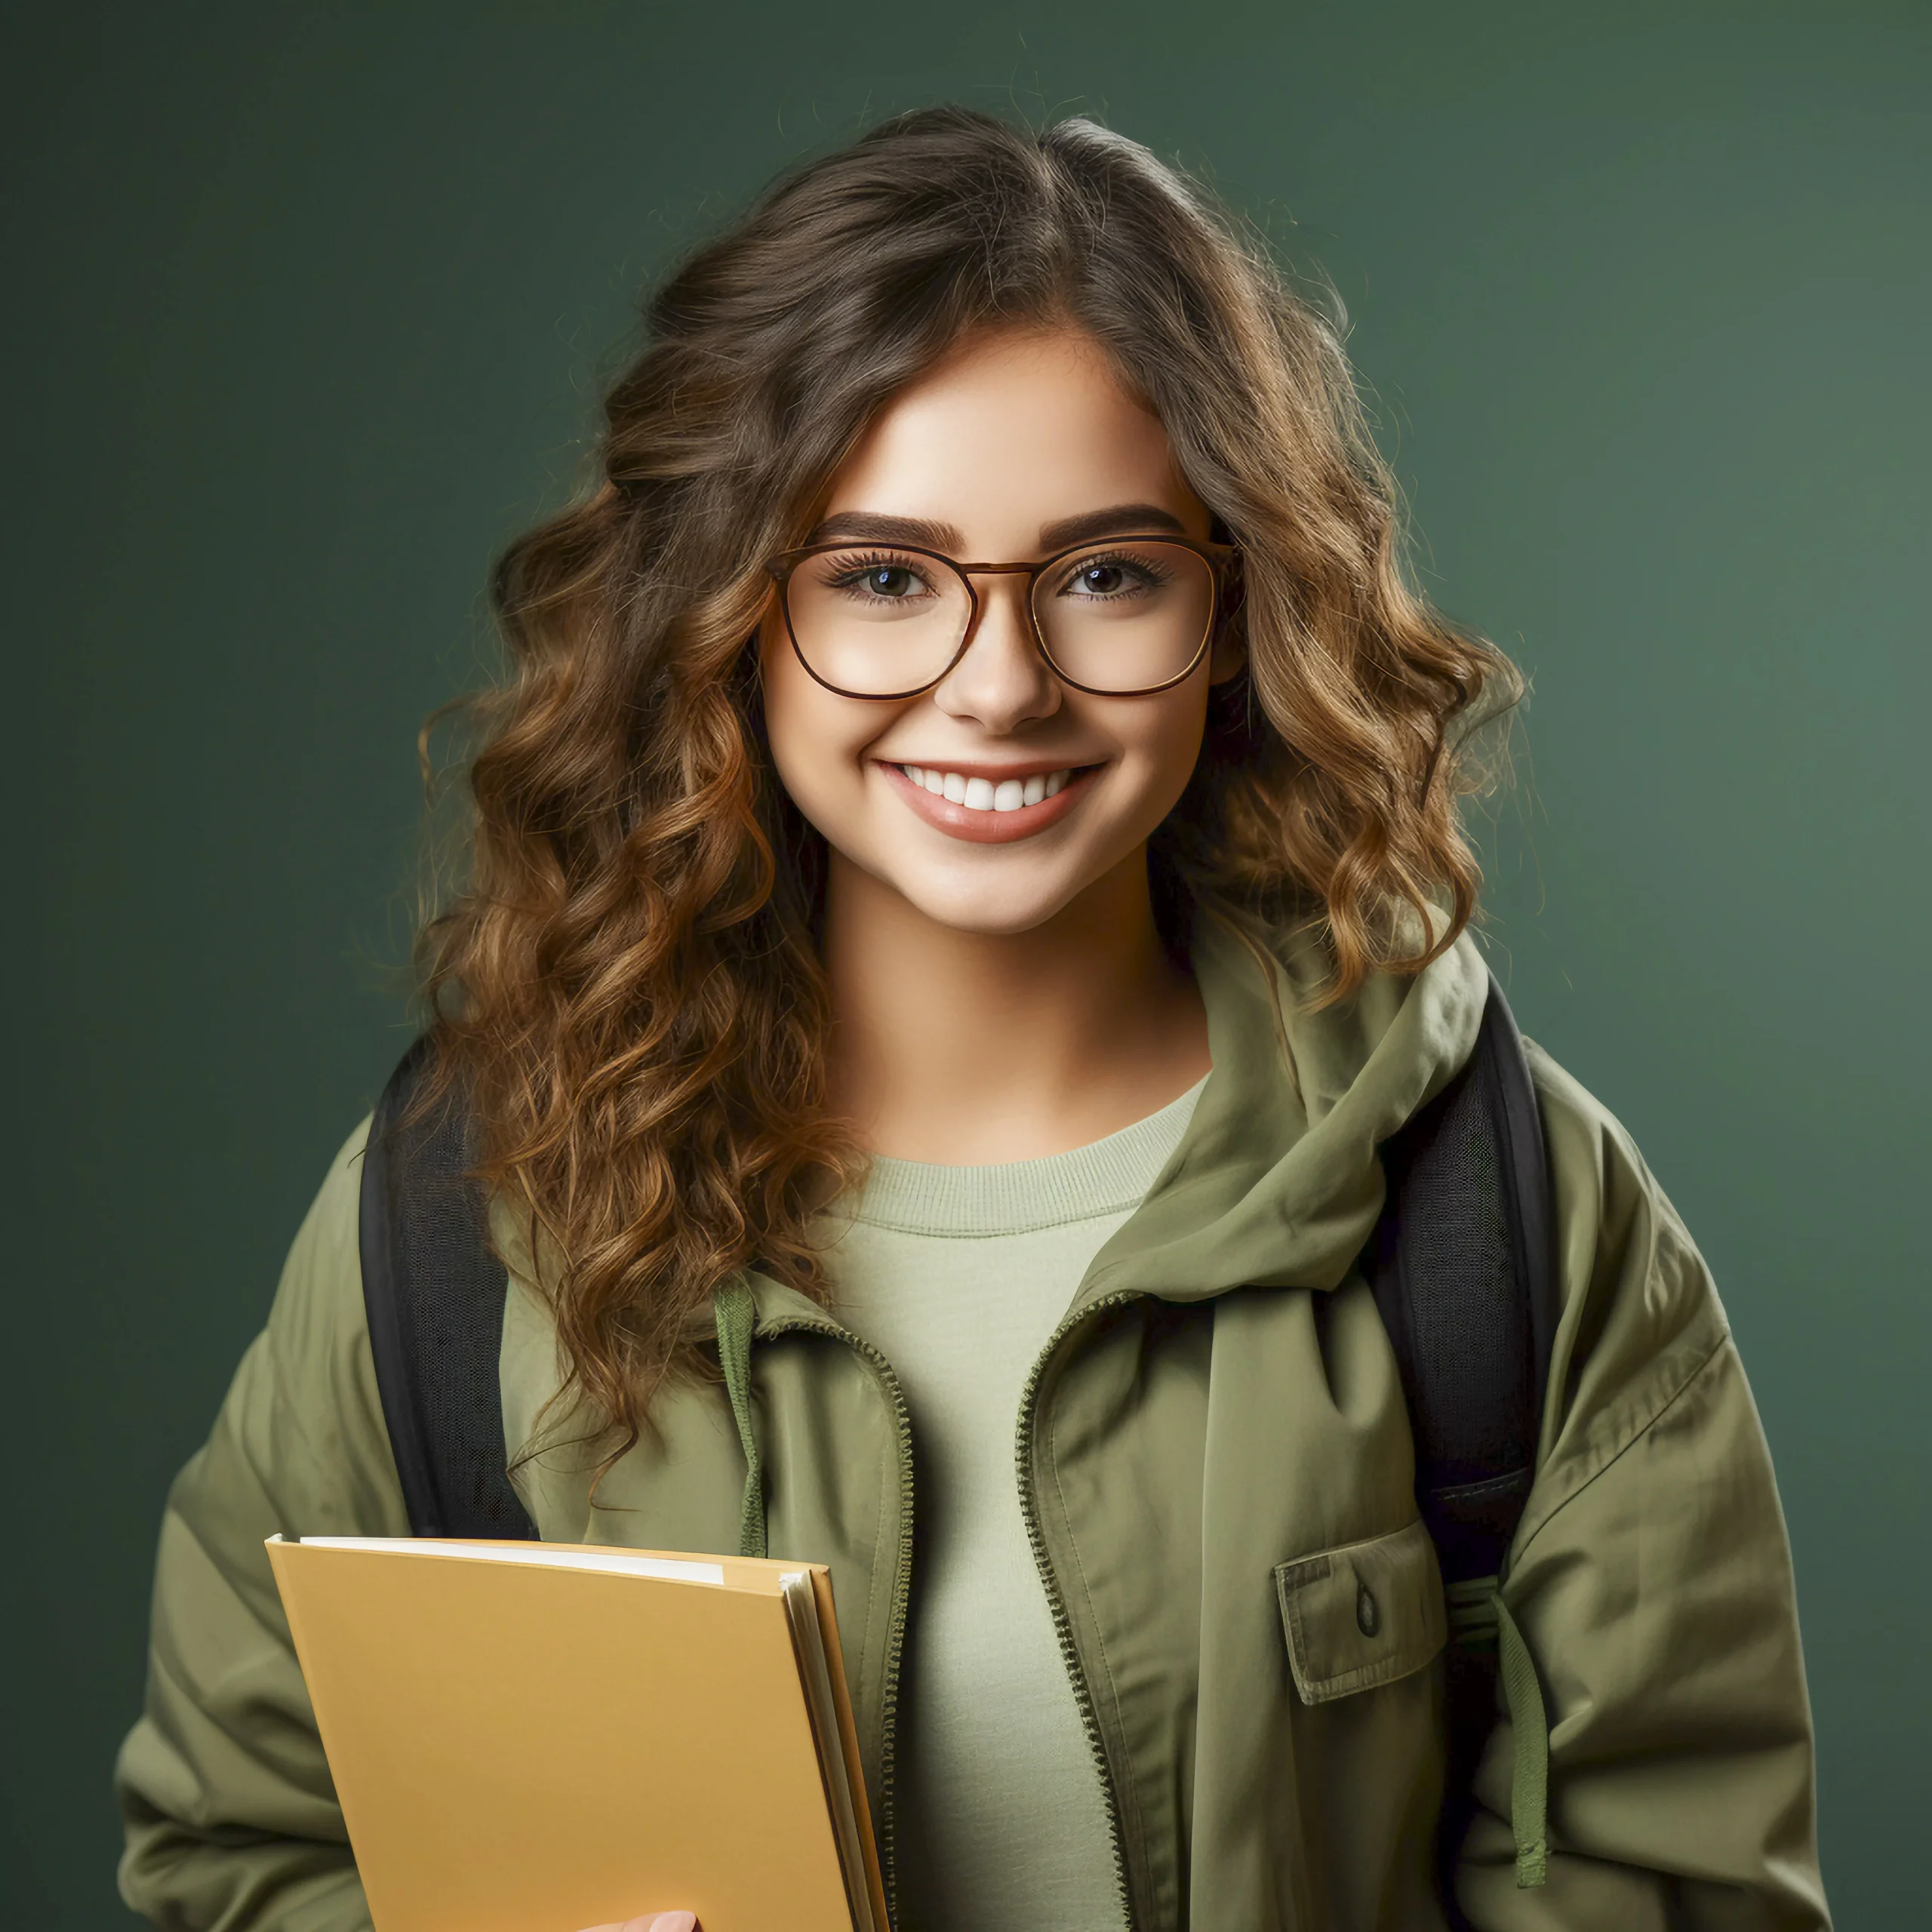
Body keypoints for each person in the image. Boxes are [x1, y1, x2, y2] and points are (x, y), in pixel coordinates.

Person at [115, 106, 1831, 1932]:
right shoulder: (466, 1214)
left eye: (1104, 572)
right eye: (879, 576)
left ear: (1234, 606)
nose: (997, 685)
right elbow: (243, 1843)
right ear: (724, 616)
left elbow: (1682, 1878)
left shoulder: (1507, 1210)